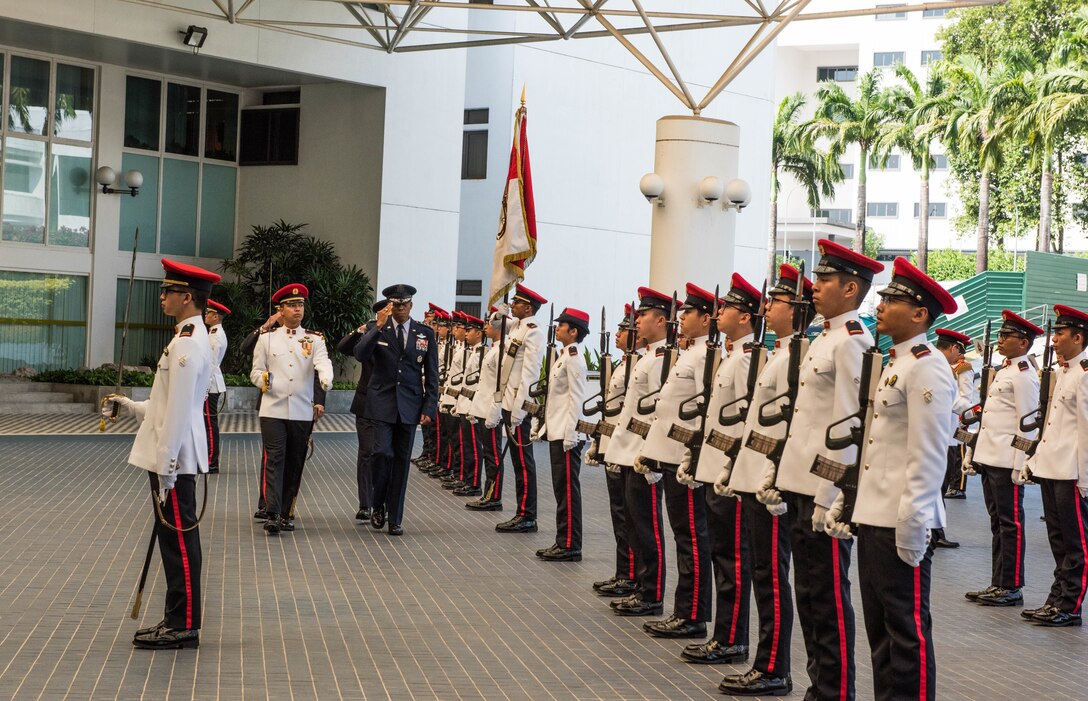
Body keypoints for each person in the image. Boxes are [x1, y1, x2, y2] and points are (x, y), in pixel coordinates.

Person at [821, 256, 956, 701]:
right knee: (881, 631)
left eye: (892, 300)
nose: (879, 305)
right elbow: (874, 443)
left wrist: (915, 521)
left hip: (902, 519)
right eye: (881, 298)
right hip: (875, 514)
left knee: (906, 632)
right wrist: (849, 498)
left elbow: (928, 451)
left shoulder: (927, 365)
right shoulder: (894, 362)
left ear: (919, 314)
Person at [759, 238, 884, 701]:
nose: (814, 285)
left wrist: (834, 495)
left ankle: (835, 693)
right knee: (810, 598)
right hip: (799, 485)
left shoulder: (853, 342)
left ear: (851, 289)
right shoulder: (824, 339)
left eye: (826, 279)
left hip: (821, 493)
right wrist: (781, 473)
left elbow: (852, 425)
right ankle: (819, 688)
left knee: (829, 601)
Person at [104, 258, 220, 650]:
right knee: (174, 539)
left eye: (168, 292)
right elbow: (164, 402)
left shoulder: (188, 342)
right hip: (173, 454)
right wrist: (131, 406)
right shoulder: (187, 336)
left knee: (179, 541)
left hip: (175, 456)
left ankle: (183, 624)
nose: (162, 298)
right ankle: (177, 618)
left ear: (187, 297)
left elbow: (180, 410)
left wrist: (168, 467)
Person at [717, 264, 813, 696]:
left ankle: (774, 666)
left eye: (775, 301)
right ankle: (765, 661)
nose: (766, 307)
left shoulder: (800, 355)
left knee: (772, 575)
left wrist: (774, 475)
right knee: (761, 572)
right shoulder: (779, 352)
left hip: (772, 483)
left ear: (796, 309)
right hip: (756, 475)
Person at [681, 274, 762, 664]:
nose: (719, 313)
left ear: (745, 317)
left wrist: (731, 468)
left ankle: (731, 638)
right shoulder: (732, 355)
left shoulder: (748, 359)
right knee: (721, 556)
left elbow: (745, 423)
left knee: (732, 559)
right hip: (714, 468)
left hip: (728, 472)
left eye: (726, 308)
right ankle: (723, 634)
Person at [638, 283, 717, 640]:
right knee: (683, 535)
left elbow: (704, 412)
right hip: (670, 456)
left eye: (688, 313)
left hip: (685, 460)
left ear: (706, 318)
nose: (681, 318)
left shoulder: (707, 356)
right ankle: (684, 610)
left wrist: (693, 458)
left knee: (692, 538)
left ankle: (693, 614)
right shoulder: (689, 352)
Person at [963, 310, 1041, 607]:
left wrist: (1022, 464)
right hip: (991, 456)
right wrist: (974, 451)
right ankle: (998, 582)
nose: (1000, 340)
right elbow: (988, 418)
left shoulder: (1023, 376)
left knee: (1011, 523)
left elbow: (1027, 423)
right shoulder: (1006, 370)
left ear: (1023, 343)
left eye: (1006, 336)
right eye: (1001, 335)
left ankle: (1011, 585)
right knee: (998, 522)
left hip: (1007, 460)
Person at [604, 287, 672, 617]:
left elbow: (657, 415)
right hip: (629, 452)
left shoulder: (662, 360)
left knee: (648, 527)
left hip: (643, 455)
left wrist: (652, 456)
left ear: (661, 320)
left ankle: (652, 593)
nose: (637, 322)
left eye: (643, 316)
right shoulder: (647, 357)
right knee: (634, 524)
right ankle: (642, 587)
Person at [1021, 304, 1088, 627]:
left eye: (1060, 334)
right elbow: (1052, 424)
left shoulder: (1085, 375)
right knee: (1058, 540)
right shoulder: (1064, 373)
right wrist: (1034, 460)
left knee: (1077, 545)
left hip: (1070, 472)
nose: (1054, 340)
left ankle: (1070, 606)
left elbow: (1086, 431)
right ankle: (1056, 598)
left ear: (1078, 337)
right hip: (1051, 467)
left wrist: (1085, 479)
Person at [354, 283, 439, 536]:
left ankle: (395, 518)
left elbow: (431, 374)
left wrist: (429, 407)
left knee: (401, 462)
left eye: (404, 305)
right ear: (389, 306)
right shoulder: (376, 329)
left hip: (410, 405)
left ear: (411, 306)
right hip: (380, 403)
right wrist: (377, 326)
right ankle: (377, 502)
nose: (400, 309)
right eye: (395, 305)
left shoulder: (424, 334)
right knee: (381, 454)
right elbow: (359, 354)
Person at [250, 283, 333, 535]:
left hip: (300, 410)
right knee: (274, 459)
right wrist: (264, 380)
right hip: (272, 408)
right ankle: (273, 513)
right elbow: (255, 370)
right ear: (280, 309)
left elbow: (323, 362)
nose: (298, 310)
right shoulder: (266, 339)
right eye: (292, 305)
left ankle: (287, 512)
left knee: (295, 462)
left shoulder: (315, 339)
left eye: (300, 306)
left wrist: (326, 377)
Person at [586, 305, 643, 597]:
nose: (618, 335)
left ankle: (631, 575)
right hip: (614, 446)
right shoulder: (623, 363)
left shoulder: (640, 364)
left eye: (623, 330)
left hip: (628, 450)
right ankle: (624, 571)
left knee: (630, 518)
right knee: (619, 515)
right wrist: (601, 443)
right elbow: (611, 411)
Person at [532, 307, 590, 561]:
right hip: (556, 431)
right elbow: (555, 399)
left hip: (566, 436)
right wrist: (543, 426)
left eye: (562, 325)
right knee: (560, 490)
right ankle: (563, 540)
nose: (557, 328)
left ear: (574, 331)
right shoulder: (563, 356)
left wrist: (570, 434)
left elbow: (576, 399)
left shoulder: (574, 358)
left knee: (567, 491)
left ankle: (570, 544)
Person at [496, 284, 548, 534]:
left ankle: (528, 515)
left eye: (516, 303)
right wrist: (500, 305)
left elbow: (530, 372)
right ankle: (521, 511)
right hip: (508, 400)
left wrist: (520, 409)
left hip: (518, 404)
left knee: (523, 461)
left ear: (528, 308)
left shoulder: (533, 331)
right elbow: (496, 322)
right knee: (517, 461)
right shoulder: (517, 326)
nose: (512, 306)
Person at [337, 298, 388, 522]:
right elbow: (344, 347)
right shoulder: (369, 331)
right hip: (366, 402)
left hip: (388, 404)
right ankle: (365, 504)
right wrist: (363, 329)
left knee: (384, 453)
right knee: (367, 453)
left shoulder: (399, 335)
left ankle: (382, 502)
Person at [933, 327, 977, 548]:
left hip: (944, 431)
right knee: (939, 485)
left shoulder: (937, 364)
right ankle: (935, 532)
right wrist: (978, 412)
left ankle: (934, 531)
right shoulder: (943, 368)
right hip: (945, 433)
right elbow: (959, 401)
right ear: (954, 348)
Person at [466, 307, 509, 511]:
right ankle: (488, 493)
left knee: (493, 456)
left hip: (491, 411)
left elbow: (500, 385)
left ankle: (493, 496)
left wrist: (495, 411)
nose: (484, 327)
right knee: (488, 454)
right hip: (483, 409)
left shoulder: (503, 350)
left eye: (488, 324)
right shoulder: (494, 348)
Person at [453, 313, 487, 497]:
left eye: (470, 330)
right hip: (464, 403)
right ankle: (467, 479)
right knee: (467, 445)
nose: (466, 333)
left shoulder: (482, 353)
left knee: (474, 446)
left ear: (479, 333)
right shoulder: (473, 352)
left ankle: (474, 483)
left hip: (472, 405)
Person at [203, 299, 230, 474]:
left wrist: (204, 389)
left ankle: (211, 461)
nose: (205, 315)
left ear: (215, 316)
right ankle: (209, 459)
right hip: (211, 384)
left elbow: (211, 365)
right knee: (208, 424)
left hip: (210, 385)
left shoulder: (215, 336)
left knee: (210, 425)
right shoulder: (213, 333)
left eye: (208, 313)